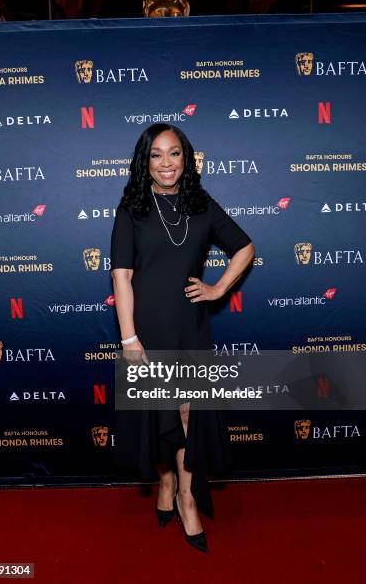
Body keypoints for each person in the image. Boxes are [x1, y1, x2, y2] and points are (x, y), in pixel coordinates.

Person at [110, 124, 254, 552]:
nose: (167, 163)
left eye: (175, 154)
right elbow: (121, 277)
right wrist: (129, 339)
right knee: (158, 415)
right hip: (147, 328)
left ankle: (188, 499)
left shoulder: (201, 204)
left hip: (189, 327)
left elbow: (245, 247)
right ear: (145, 160)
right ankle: (167, 482)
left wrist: (218, 288)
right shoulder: (131, 208)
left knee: (188, 414)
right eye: (157, 155)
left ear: (186, 159)